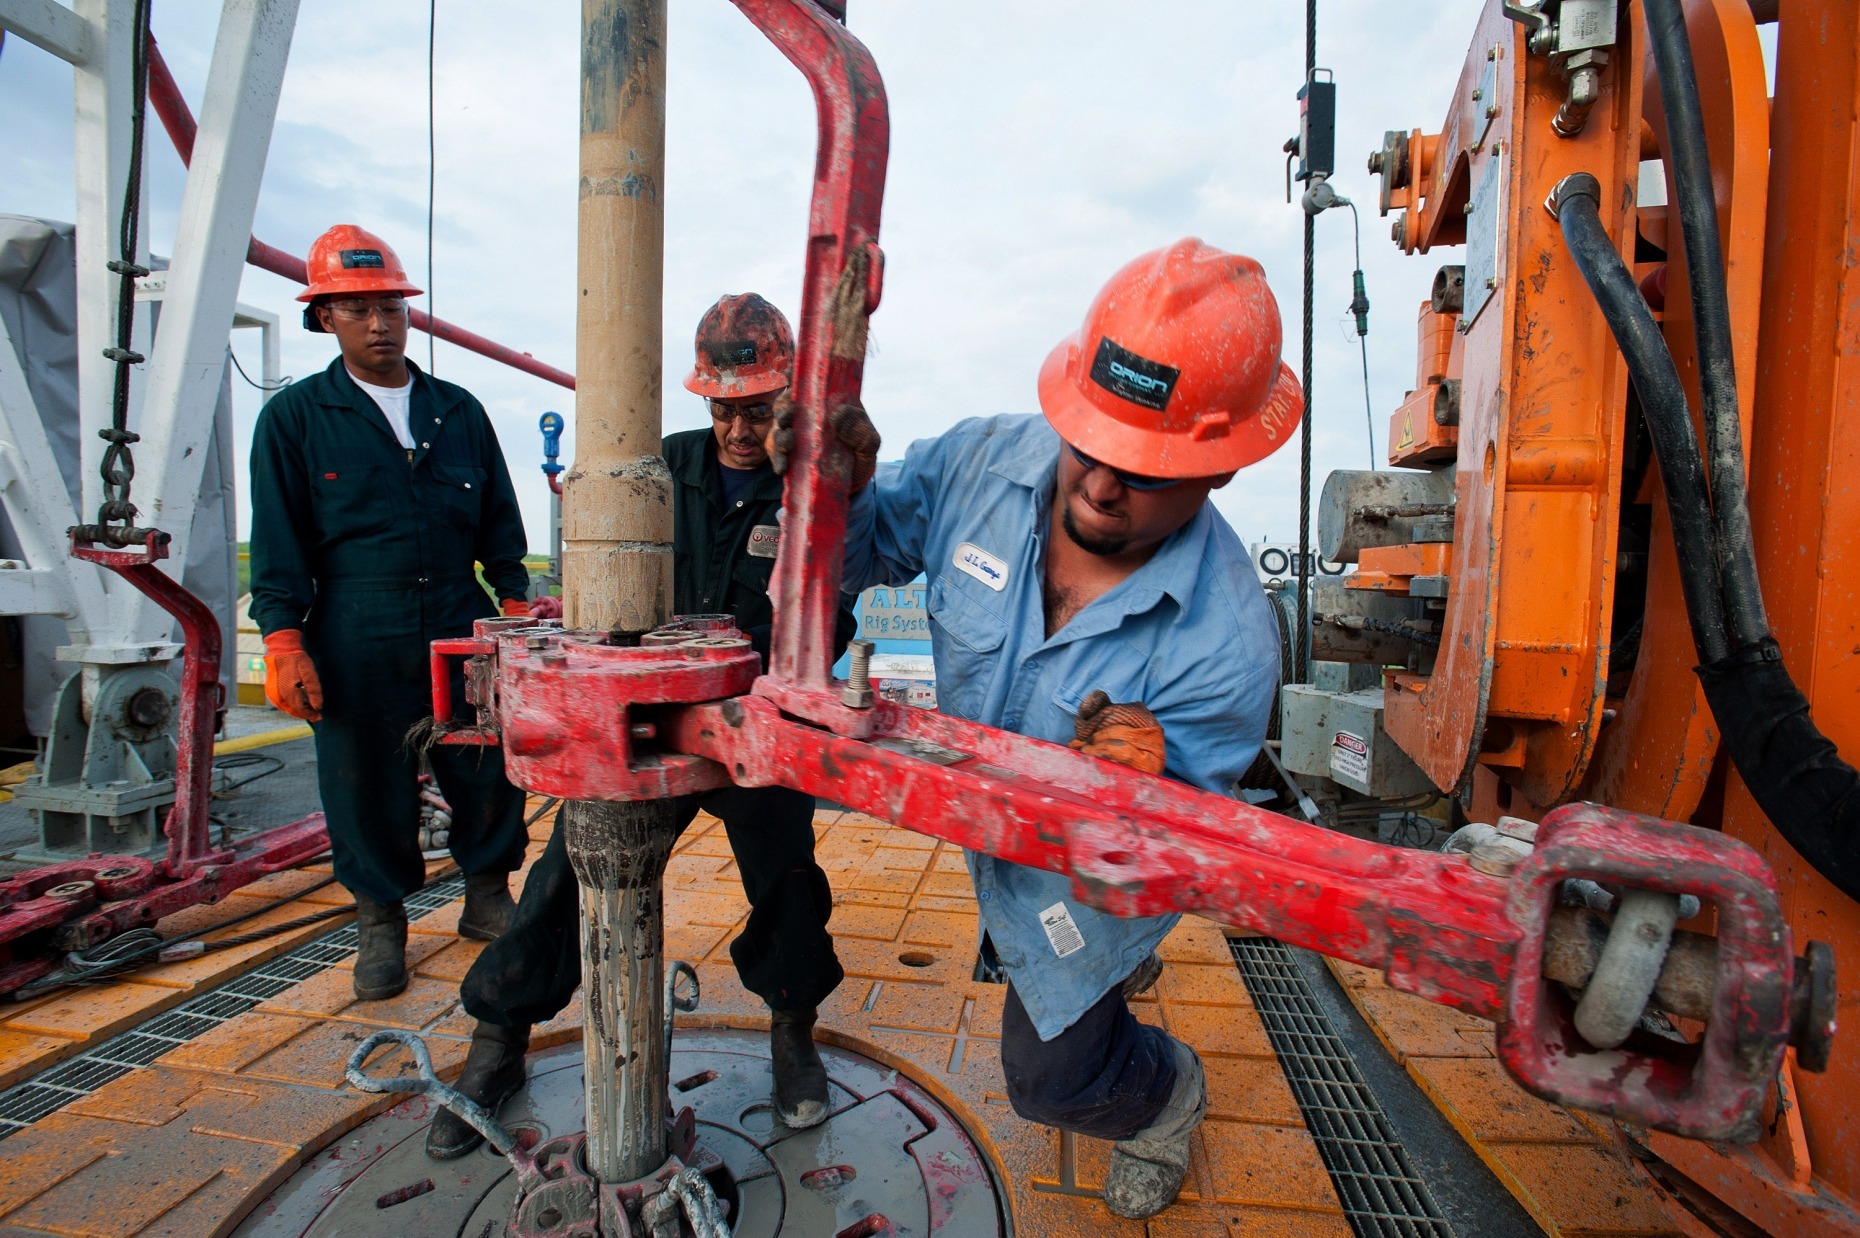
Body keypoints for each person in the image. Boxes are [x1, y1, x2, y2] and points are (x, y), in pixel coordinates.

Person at [787, 239, 1295, 1219]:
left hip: (1072, 879)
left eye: (1141, 470)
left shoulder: (1225, 647)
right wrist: (832, 497)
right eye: (1088, 446)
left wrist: (1142, 801)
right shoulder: (982, 463)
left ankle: (1166, 1093)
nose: (1099, 487)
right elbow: (857, 561)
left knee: (1049, 1077)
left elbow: (1177, 858)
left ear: (1221, 468)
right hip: (980, 815)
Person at [427, 293, 856, 1160]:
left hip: (750, 724)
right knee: (565, 871)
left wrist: (765, 677)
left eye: (760, 409)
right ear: (704, 401)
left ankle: (792, 1029)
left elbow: (832, 613)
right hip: (648, 723)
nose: (741, 429)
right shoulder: (659, 469)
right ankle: (496, 1040)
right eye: (725, 408)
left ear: (791, 399)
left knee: (786, 873)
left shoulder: (814, 486)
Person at [250, 224, 532, 1003]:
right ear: (324, 320)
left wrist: (514, 610)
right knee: (361, 780)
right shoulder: (296, 420)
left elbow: (503, 529)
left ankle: (485, 896)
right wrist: (283, 642)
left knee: (483, 763)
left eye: (390, 306)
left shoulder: (458, 412)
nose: (379, 323)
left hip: (456, 615)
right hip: (352, 621)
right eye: (356, 308)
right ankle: (381, 923)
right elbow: (278, 544)